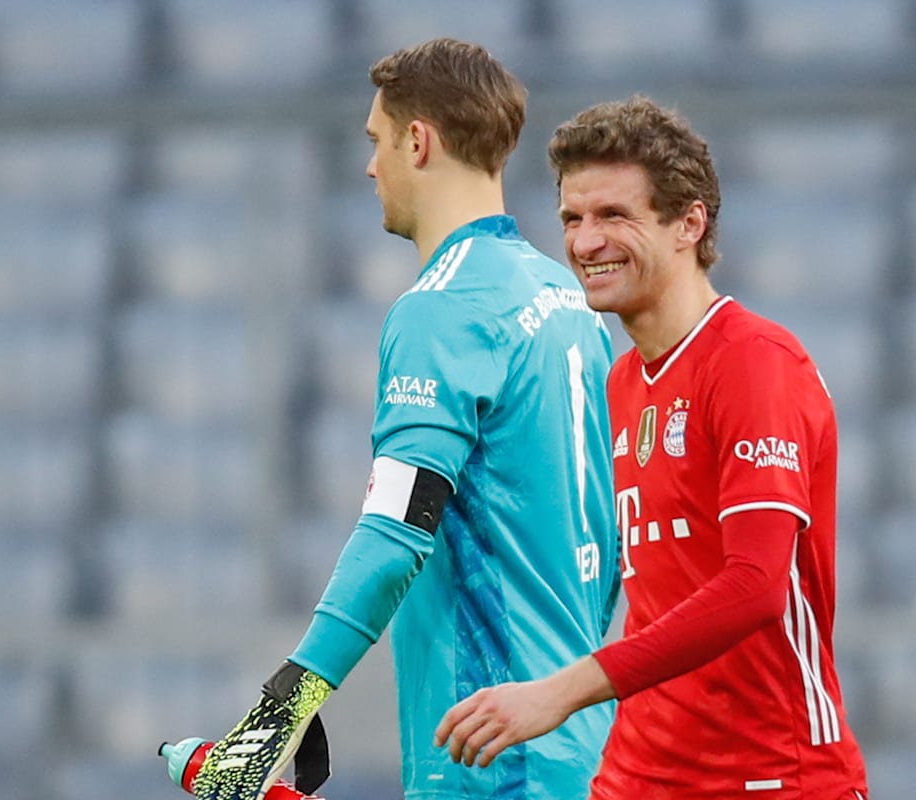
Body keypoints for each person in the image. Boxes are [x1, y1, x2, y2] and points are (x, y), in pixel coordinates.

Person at [188, 38, 619, 800]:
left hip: (487, 753)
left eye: (376, 141)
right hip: (583, 747)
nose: (369, 167)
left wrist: (281, 711)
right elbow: (609, 536)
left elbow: (395, 532)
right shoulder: (569, 302)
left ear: (417, 141)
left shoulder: (442, 309)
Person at [432, 96, 870, 799]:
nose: (584, 241)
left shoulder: (755, 363)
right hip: (639, 775)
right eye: (573, 218)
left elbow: (755, 587)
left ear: (688, 224)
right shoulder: (622, 382)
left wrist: (563, 691)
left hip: (773, 775)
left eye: (614, 216)